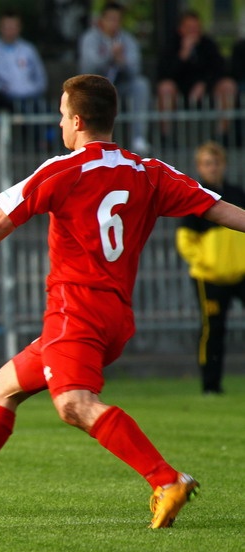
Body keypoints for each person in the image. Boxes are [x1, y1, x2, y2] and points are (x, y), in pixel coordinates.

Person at [0, 74, 245, 529]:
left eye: (62, 115)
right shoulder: (150, 171)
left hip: (74, 312)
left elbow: (2, 222)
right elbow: (219, 209)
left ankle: (166, 478)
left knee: (74, 404)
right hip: (114, 317)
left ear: (77, 121)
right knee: (5, 386)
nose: (60, 123)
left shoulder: (63, 169)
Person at [176, 141, 245, 395]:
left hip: (240, 273)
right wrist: (205, 261)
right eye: (207, 163)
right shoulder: (195, 197)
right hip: (209, 276)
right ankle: (210, 386)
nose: (212, 168)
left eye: (216, 162)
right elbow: (184, 240)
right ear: (199, 167)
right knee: (212, 330)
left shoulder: (237, 194)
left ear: (224, 165)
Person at [78, 1, 150, 154]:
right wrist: (110, 56)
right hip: (97, 87)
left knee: (141, 85)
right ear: (101, 20)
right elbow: (88, 68)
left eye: (117, 20)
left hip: (121, 86)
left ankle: (139, 138)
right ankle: (91, 141)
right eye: (110, 19)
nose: (114, 23)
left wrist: (122, 61)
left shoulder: (128, 40)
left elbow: (135, 69)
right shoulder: (90, 38)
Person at [156, 10, 236, 139]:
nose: (194, 32)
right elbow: (164, 74)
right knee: (165, 88)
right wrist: (182, 56)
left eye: (196, 28)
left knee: (228, 86)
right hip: (179, 91)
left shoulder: (208, 44)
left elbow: (219, 70)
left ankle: (222, 136)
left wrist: (205, 84)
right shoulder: (170, 45)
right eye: (190, 28)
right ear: (181, 29)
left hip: (206, 90)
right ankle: (167, 138)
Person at [0, 10, 48, 110]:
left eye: (13, 27)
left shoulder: (28, 49)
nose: (10, 31)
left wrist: (35, 89)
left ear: (19, 28)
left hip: (31, 97)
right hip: (4, 99)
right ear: (0, 28)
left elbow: (40, 75)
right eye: (6, 27)